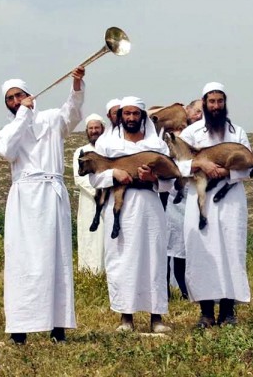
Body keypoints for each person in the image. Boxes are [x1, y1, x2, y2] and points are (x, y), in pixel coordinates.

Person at [0, 66, 85, 345]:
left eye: (19, 95)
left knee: (56, 258)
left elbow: (72, 113)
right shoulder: (9, 129)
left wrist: (77, 84)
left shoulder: (49, 119)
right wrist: (23, 114)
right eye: (10, 99)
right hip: (24, 200)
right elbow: (7, 151)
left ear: (29, 94)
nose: (14, 101)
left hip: (51, 195)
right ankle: (19, 330)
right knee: (23, 262)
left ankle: (57, 328)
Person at [89, 96, 172, 333]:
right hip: (120, 209)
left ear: (143, 117)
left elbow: (172, 182)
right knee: (123, 258)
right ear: (120, 116)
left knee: (153, 259)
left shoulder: (157, 145)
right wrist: (114, 174)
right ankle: (126, 317)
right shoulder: (107, 144)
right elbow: (94, 177)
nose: (131, 118)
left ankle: (156, 318)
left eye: (136, 114)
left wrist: (153, 179)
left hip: (150, 206)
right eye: (127, 114)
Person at [178, 82, 252, 328]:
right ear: (205, 103)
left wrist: (226, 172)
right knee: (202, 253)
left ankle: (228, 312)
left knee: (231, 251)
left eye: (220, 101)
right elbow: (175, 165)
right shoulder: (191, 133)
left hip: (231, 201)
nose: (216, 106)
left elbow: (249, 166)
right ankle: (206, 313)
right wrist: (200, 165)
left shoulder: (237, 132)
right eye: (212, 102)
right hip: (200, 200)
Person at [164, 100, 203, 300]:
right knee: (172, 244)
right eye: (196, 111)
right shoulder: (173, 132)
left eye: (202, 112)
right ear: (187, 111)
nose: (199, 115)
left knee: (187, 246)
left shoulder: (202, 135)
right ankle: (168, 290)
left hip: (192, 194)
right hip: (174, 196)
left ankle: (188, 289)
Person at [73, 112, 106, 274]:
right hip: (90, 202)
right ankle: (90, 273)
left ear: (102, 129)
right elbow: (79, 177)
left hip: (109, 200)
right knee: (90, 236)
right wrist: (98, 191)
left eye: (97, 128)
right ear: (87, 131)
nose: (94, 131)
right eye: (91, 128)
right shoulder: (81, 151)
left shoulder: (108, 150)